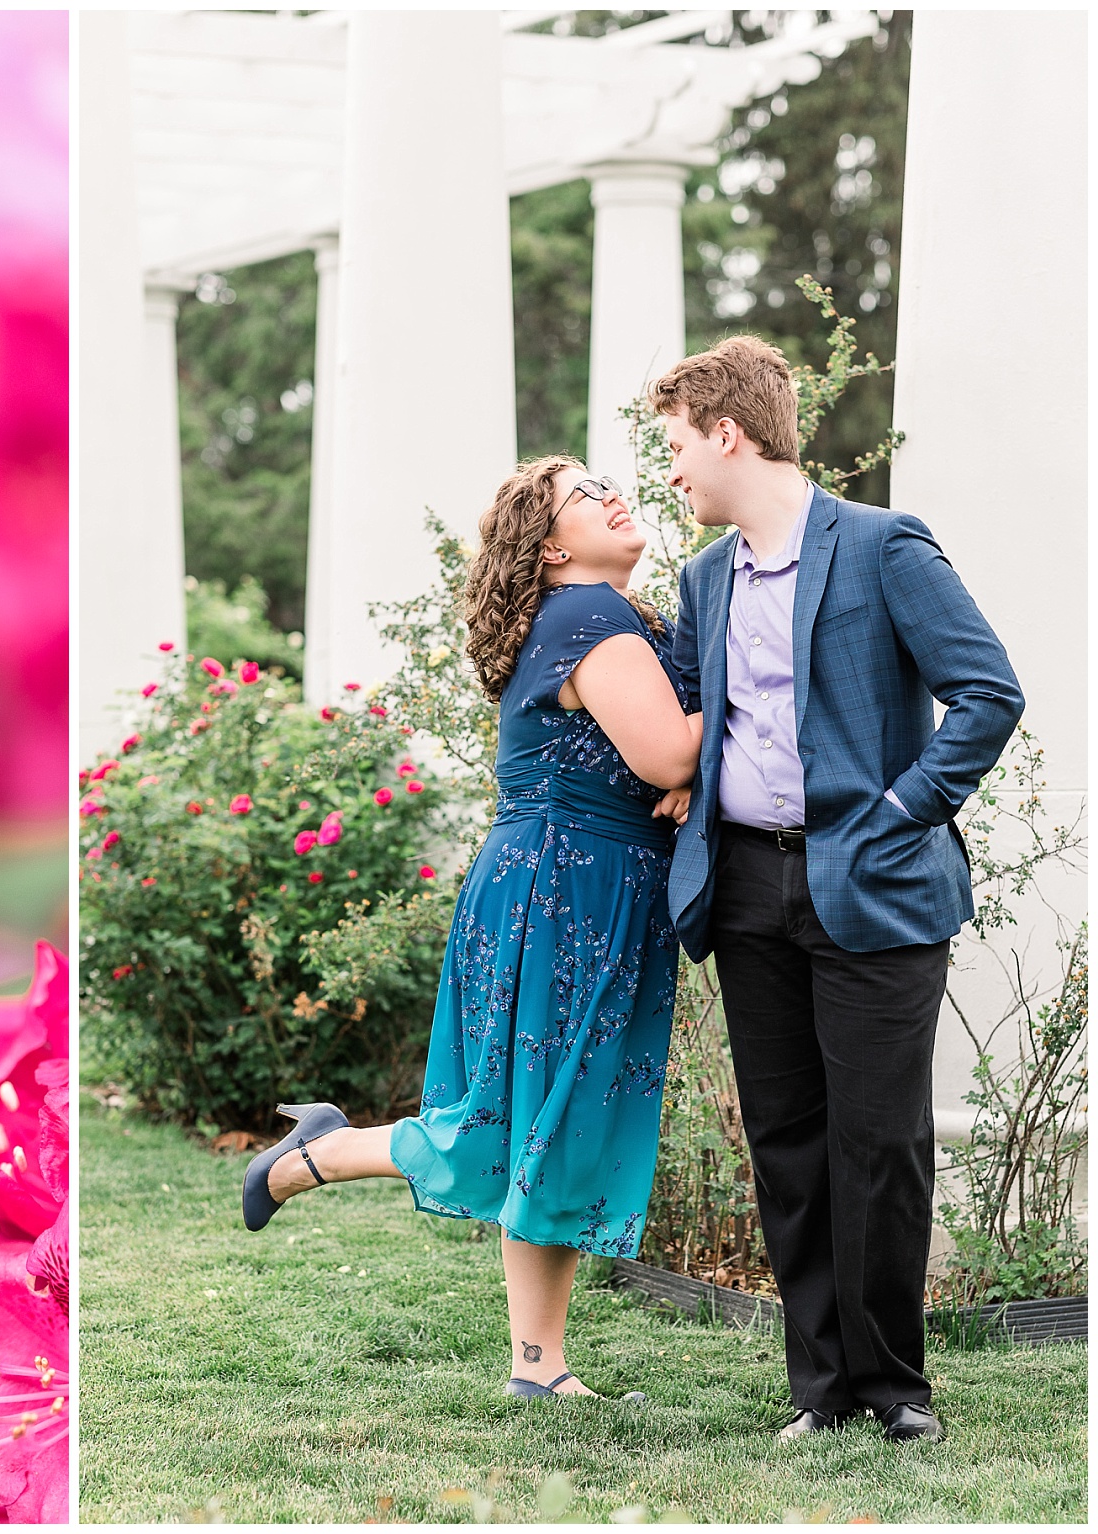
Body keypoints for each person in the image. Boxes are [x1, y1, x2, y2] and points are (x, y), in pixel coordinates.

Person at [242, 454, 700, 1401]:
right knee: (518, 1121)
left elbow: (667, 748)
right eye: (585, 494)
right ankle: (317, 1154)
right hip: (564, 891)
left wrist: (689, 771)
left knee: (547, 1125)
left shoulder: (618, 621)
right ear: (551, 545)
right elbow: (665, 750)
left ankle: (538, 1369)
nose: (615, 493)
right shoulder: (587, 616)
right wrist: (706, 756)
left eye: (607, 479)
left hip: (571, 885)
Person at [653, 336, 1022, 1445]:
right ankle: (816, 1389)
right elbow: (686, 719)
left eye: (674, 447)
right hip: (746, 886)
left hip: (872, 880)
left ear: (727, 435)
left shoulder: (880, 547)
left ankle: (893, 1386)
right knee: (787, 1141)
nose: (668, 471)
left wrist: (899, 812)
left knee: (881, 1143)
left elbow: (986, 692)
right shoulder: (701, 578)